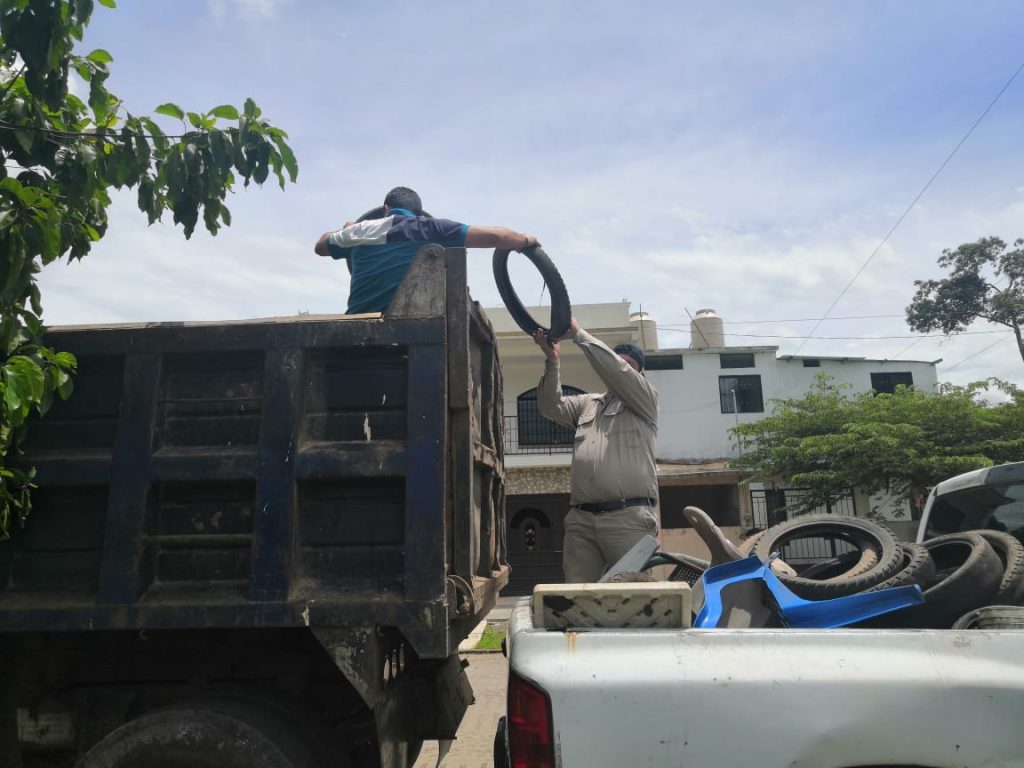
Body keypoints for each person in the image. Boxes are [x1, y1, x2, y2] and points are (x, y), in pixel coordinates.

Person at [533, 317, 659, 582]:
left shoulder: (645, 400)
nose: (622, 366)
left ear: (640, 374)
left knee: (635, 598)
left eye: (630, 364)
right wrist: (553, 361)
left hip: (628, 520)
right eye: (618, 359)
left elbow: (617, 372)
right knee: (578, 597)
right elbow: (550, 406)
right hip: (582, 520)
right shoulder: (589, 403)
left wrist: (579, 333)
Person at [315, 186, 539, 314]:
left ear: (386, 209)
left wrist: (348, 228)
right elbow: (497, 236)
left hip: (359, 328)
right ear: (419, 213)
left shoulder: (359, 232)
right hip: (416, 330)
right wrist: (525, 240)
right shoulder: (433, 228)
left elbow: (320, 246)